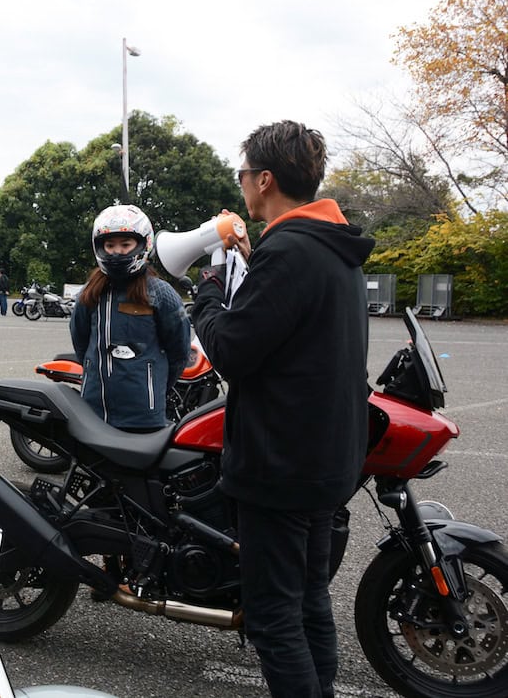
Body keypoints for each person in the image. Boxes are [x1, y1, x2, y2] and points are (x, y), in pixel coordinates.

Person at [191, 121, 374, 697]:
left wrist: (211, 286)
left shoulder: (291, 252)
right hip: (325, 460)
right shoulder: (331, 247)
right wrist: (255, 257)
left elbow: (230, 349)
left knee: (273, 617)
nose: (241, 184)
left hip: (280, 466)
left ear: (265, 179)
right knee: (309, 601)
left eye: (243, 174)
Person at [70, 205, 189, 432]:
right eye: (110, 245)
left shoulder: (161, 293)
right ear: (100, 248)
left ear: (143, 243)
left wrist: (153, 384)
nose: (117, 252)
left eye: (125, 245)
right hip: (94, 409)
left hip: (143, 415)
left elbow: (179, 352)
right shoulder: (90, 293)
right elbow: (80, 342)